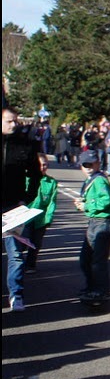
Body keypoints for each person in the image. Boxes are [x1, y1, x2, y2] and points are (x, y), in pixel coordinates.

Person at [2, 105, 43, 312]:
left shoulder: (24, 145)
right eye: (9, 121)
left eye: (15, 121)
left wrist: (26, 199)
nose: (14, 124)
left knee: (16, 254)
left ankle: (16, 294)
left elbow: (36, 174)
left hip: (13, 207)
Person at [74, 150, 110, 308]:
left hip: (102, 223)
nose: (89, 167)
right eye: (86, 165)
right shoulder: (91, 180)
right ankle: (92, 287)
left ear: (98, 163)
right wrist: (83, 204)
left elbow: (107, 201)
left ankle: (100, 291)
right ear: (81, 167)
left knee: (97, 261)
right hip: (95, 222)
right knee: (86, 259)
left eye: (92, 164)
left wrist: (87, 205)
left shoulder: (99, 181)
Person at [21, 153, 58, 272]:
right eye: (40, 165)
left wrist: (49, 218)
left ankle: (30, 265)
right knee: (22, 243)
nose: (43, 168)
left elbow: (52, 202)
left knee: (36, 243)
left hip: (40, 218)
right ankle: (18, 264)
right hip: (25, 218)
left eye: (45, 165)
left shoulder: (51, 182)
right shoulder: (26, 179)